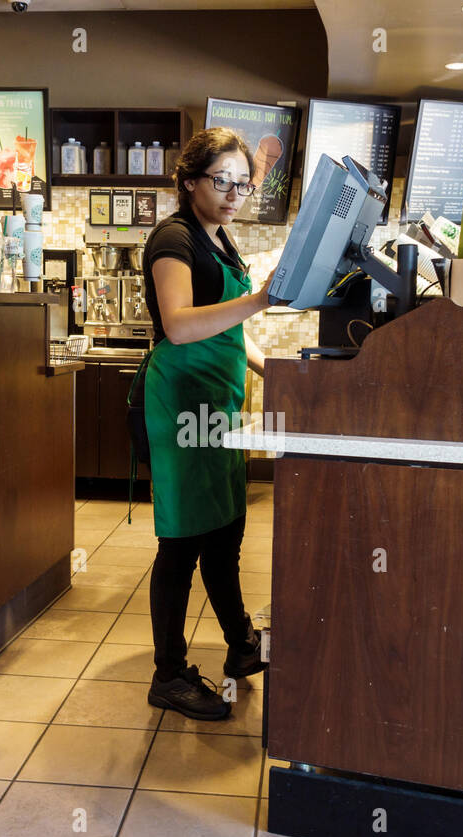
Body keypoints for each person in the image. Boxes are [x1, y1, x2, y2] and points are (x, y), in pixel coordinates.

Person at [140, 128, 273, 720]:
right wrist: (260, 299)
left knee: (225, 528)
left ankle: (241, 644)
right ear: (190, 180)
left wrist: (273, 369)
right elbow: (179, 324)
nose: (234, 194)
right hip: (180, 405)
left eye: (242, 183)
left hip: (217, 408)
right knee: (182, 543)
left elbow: (228, 331)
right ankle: (168, 676)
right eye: (222, 181)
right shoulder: (174, 237)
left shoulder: (220, 237)